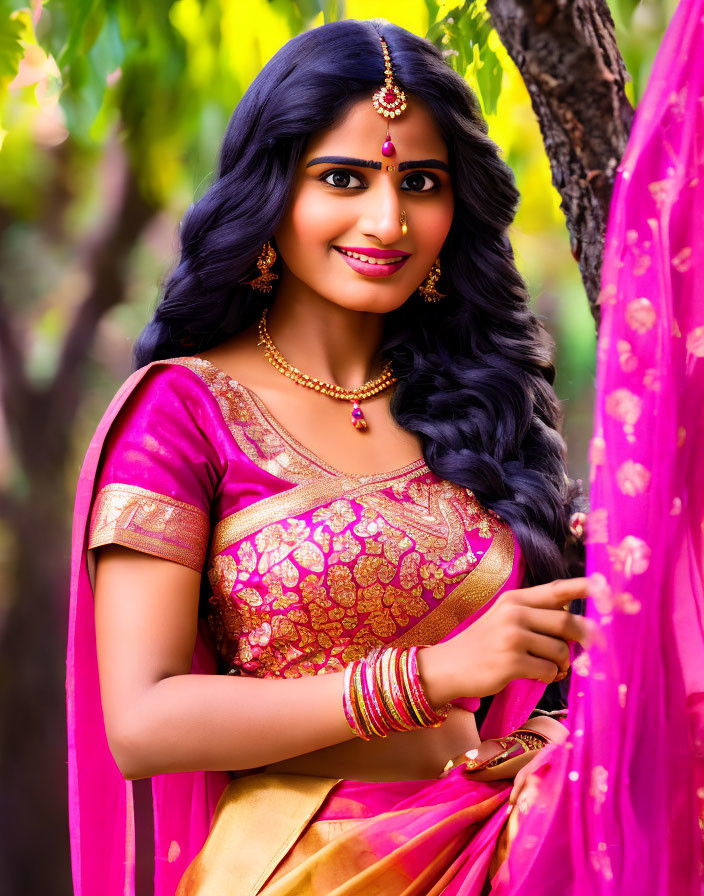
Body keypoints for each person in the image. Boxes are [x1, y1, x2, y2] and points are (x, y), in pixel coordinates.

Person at [66, 19, 596, 896]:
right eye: (343, 178)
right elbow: (144, 721)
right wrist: (430, 677)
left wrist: (543, 737)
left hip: (497, 846)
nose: (386, 220)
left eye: (419, 182)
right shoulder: (185, 413)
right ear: (274, 193)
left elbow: (547, 676)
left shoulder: (481, 408)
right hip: (310, 867)